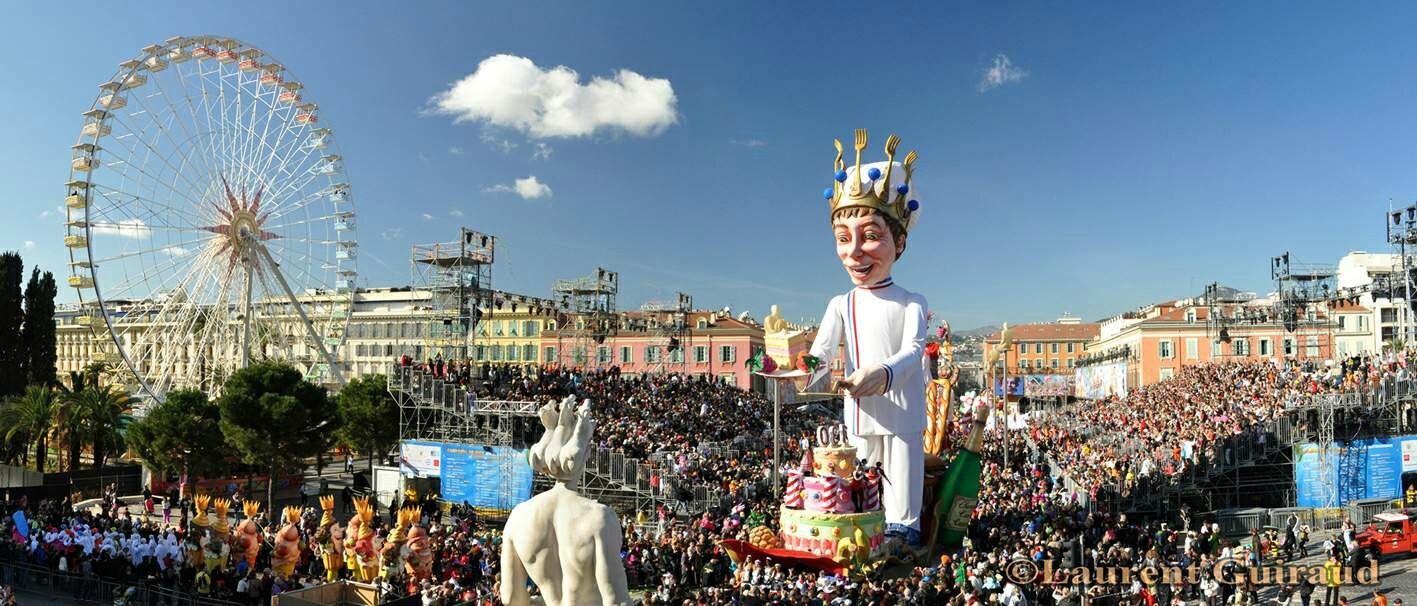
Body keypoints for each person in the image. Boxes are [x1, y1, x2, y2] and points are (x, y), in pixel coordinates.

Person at [808, 128, 929, 556]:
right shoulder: (841, 302)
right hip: (858, 410)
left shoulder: (912, 301)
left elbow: (914, 351)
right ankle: (866, 525)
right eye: (844, 238)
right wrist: (803, 364)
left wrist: (882, 373)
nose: (855, 252)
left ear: (899, 241)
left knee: (901, 468)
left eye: (871, 236)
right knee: (863, 473)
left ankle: (904, 530)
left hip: (900, 406)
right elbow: (820, 350)